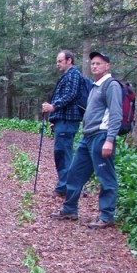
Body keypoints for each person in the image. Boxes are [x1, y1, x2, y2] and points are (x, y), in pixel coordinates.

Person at [50, 51, 122, 229]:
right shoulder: (95, 85)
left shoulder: (111, 85)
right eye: (93, 64)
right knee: (75, 172)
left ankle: (106, 216)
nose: (95, 66)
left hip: (102, 136)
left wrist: (110, 139)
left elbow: (115, 114)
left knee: (105, 176)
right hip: (87, 136)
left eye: (99, 63)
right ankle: (69, 209)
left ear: (107, 66)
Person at [41, 50, 84, 198]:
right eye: (57, 61)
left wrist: (53, 107)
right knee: (62, 153)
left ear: (69, 60)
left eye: (60, 61)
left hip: (68, 121)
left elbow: (70, 95)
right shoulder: (68, 75)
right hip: (63, 120)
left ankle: (65, 187)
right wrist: (55, 119)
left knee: (63, 154)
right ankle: (66, 186)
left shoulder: (73, 74)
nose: (57, 64)